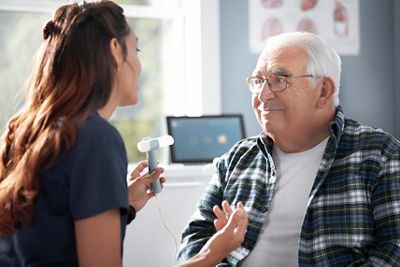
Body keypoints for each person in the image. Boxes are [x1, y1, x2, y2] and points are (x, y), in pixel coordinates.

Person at [0, 1, 247, 266]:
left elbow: (52, 231)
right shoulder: (96, 139)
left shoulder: (35, 129)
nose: (140, 65)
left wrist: (123, 205)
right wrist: (212, 253)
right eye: (136, 49)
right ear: (116, 50)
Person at [177, 31, 400, 266]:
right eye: (257, 81)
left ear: (323, 91)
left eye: (279, 79)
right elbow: (194, 239)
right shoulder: (236, 159)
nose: (262, 95)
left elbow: (395, 249)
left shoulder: (380, 155)